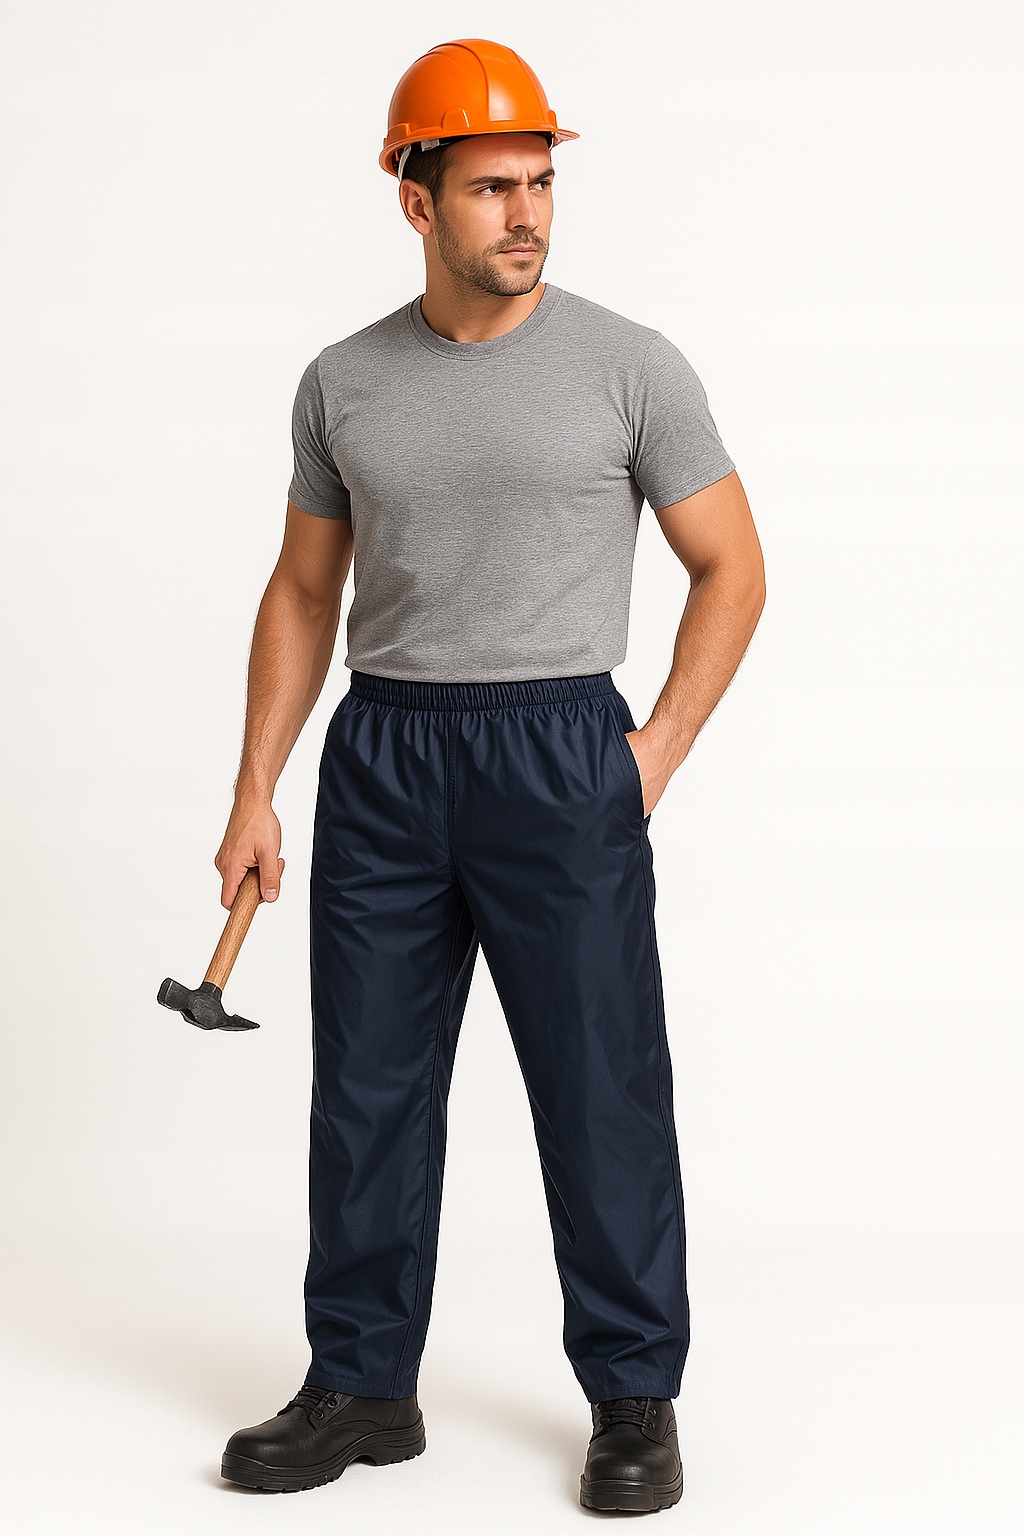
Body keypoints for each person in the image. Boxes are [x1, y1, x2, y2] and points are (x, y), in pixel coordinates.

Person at [215, 37, 765, 1515]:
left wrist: (648, 757)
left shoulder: (630, 367)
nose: (527, 214)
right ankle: (361, 1385)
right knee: (367, 1091)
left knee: (599, 1085)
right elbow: (303, 591)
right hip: (387, 755)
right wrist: (257, 788)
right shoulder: (343, 383)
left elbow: (733, 567)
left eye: (541, 183)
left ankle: (635, 1396)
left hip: (560, 753)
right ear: (416, 199)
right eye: (492, 187)